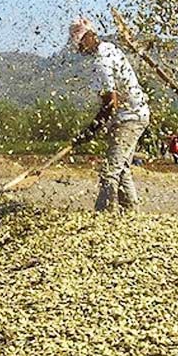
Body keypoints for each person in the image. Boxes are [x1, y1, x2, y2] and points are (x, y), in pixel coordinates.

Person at [69, 17, 150, 213]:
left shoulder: (101, 62)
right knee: (122, 169)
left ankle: (103, 216)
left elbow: (110, 103)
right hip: (135, 113)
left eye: (80, 44)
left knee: (110, 171)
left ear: (88, 37)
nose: (79, 50)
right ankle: (131, 214)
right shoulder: (110, 47)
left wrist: (89, 132)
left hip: (130, 118)